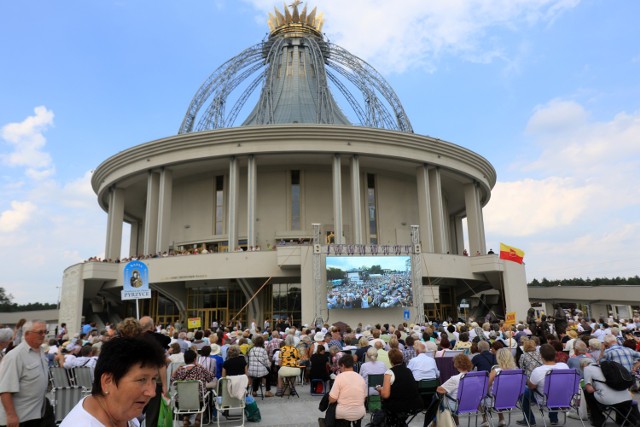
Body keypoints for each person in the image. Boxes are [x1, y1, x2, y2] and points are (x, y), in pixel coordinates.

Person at [60, 335, 165, 426]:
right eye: (142, 379)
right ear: (107, 381)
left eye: (154, 379)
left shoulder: (123, 414)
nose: (152, 392)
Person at [0, 320, 49, 427]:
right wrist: (11, 415)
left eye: (45, 332)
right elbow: (5, 389)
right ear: (27, 334)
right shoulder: (15, 356)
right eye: (40, 332)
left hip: (40, 414)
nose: (43, 335)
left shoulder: (41, 352)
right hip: (22, 418)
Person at [517, 343, 569, 426]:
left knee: (522, 391)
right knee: (555, 389)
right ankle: (553, 419)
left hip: (543, 399)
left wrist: (526, 380)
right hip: (562, 397)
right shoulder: (564, 366)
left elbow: (531, 387)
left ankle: (530, 420)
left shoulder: (538, 371)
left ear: (541, 356)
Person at [580, 357, 640, 426]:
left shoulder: (587, 368)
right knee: (613, 394)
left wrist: (597, 389)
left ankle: (598, 420)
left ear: (583, 365)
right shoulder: (606, 368)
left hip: (610, 401)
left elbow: (589, 389)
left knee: (587, 392)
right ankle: (623, 420)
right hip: (627, 399)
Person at [171, 350, 215, 427]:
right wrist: (201, 366)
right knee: (205, 394)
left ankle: (185, 419)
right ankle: (198, 419)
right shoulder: (200, 369)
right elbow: (210, 377)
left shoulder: (180, 370)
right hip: (198, 402)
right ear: (195, 359)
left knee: (185, 395)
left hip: (181, 403)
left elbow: (172, 381)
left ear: (185, 359)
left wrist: (177, 368)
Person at [378, 349, 423, 419]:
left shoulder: (389, 373)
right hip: (413, 405)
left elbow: (385, 395)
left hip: (396, 407)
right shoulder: (408, 370)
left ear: (390, 360)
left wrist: (380, 389)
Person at [325, 354, 366, 424]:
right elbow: (364, 398)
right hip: (359, 412)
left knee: (331, 408)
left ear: (343, 365)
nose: (340, 369)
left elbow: (332, 399)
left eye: (339, 367)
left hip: (343, 413)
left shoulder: (339, 377)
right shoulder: (360, 378)